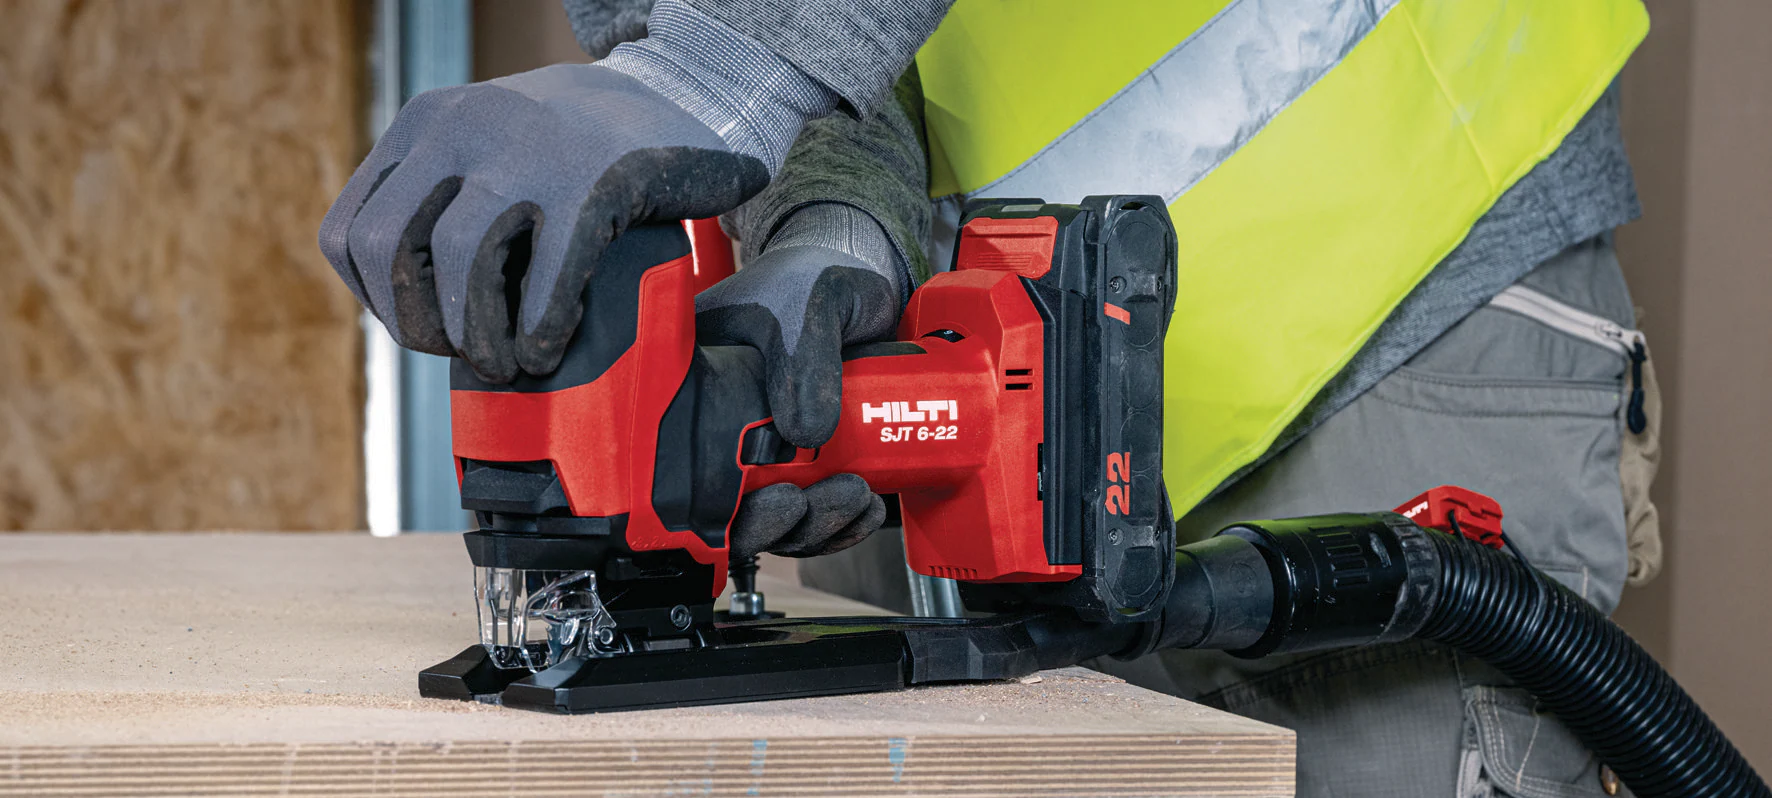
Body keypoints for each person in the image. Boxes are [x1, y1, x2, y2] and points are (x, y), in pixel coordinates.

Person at [320, 2, 1663, 794]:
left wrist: (718, 72)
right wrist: (836, 218)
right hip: (982, 379)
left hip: (1394, 300)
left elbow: (714, 55)